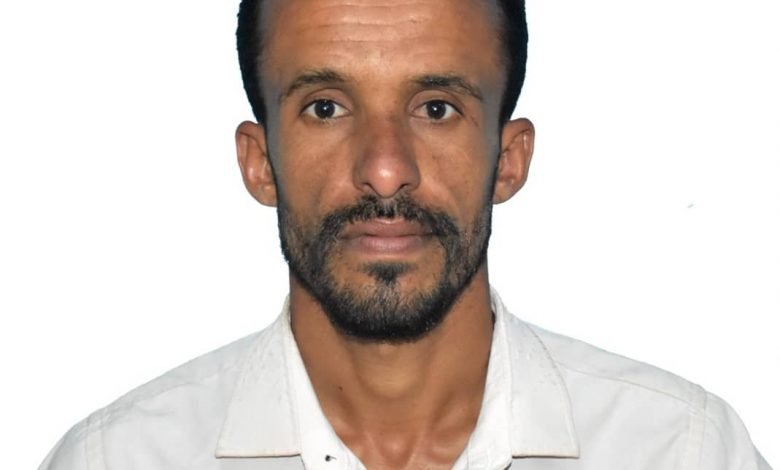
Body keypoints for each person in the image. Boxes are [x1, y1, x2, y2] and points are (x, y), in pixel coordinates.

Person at [38, 0, 772, 469]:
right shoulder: (116, 459)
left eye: (437, 108)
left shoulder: (681, 451)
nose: (385, 171)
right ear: (260, 163)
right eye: (326, 108)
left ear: (509, 159)